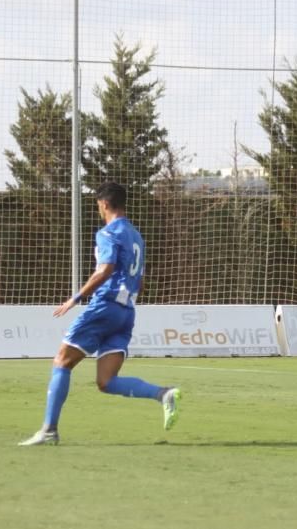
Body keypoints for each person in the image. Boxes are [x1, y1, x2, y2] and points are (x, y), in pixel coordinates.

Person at [19, 181, 181, 446]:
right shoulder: (136, 236)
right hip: (126, 312)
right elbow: (140, 281)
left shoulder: (107, 233)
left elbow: (104, 269)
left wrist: (76, 298)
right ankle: (164, 394)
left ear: (104, 204)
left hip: (105, 306)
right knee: (106, 381)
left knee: (62, 361)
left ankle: (49, 430)